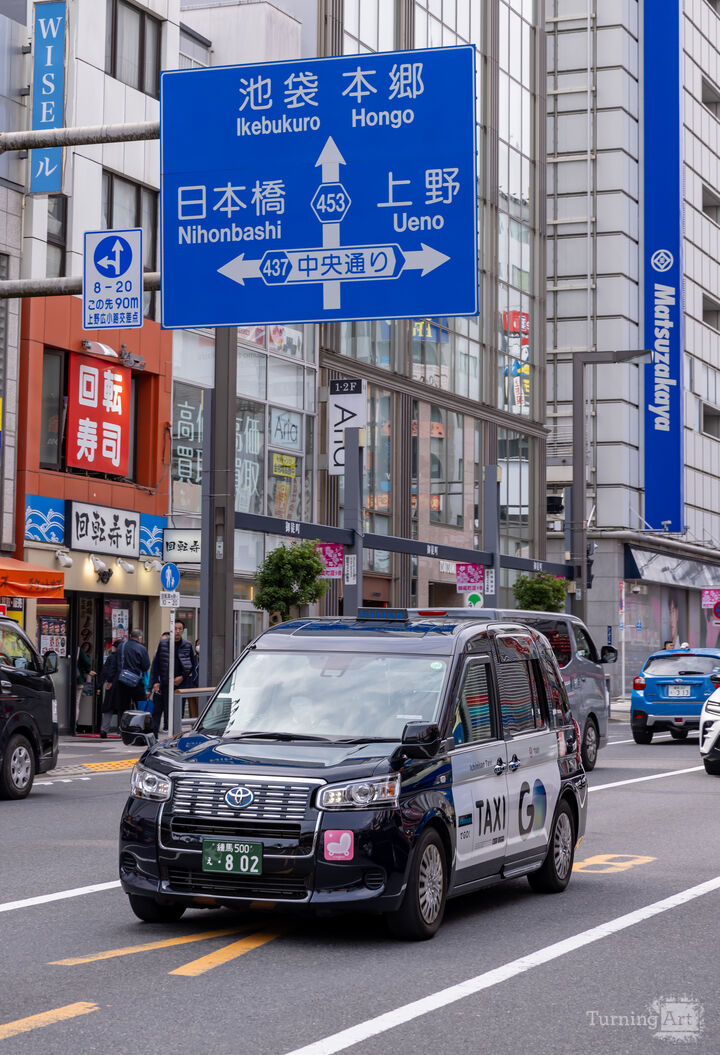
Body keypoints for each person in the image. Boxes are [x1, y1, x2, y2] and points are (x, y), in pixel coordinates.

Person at [150, 620, 197, 736]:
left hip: (182, 685)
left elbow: (192, 665)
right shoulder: (163, 644)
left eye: (180, 629)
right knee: (166, 711)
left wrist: (182, 677)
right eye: (175, 628)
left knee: (178, 713)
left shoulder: (187, 645)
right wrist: (155, 682)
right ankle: (162, 736)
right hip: (166, 683)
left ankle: (175, 737)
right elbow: (156, 665)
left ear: (183, 631)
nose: (177, 631)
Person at [102, 630, 150, 737]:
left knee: (123, 707)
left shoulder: (121, 647)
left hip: (122, 681)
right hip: (137, 681)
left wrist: (109, 680)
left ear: (130, 636)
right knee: (141, 705)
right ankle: (140, 729)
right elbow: (146, 665)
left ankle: (123, 729)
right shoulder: (142, 648)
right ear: (140, 638)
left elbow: (114, 665)